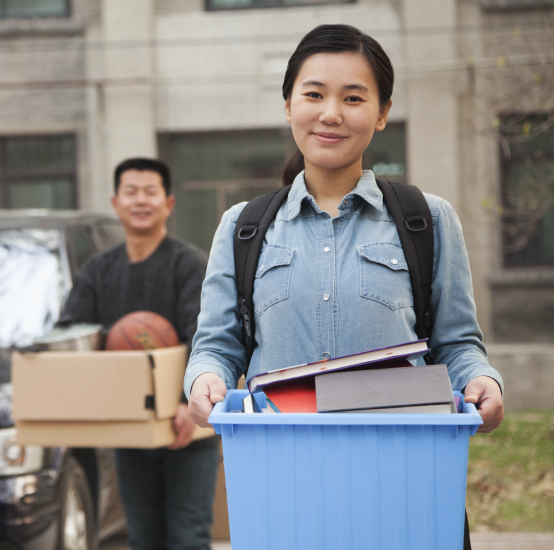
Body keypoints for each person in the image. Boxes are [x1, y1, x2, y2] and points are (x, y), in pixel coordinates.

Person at [184, 25, 504, 548]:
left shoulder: (427, 220)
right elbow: (217, 347)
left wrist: (483, 381)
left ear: (382, 112)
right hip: (281, 485)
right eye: (314, 94)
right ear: (288, 105)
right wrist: (203, 381)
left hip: (402, 483)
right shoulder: (242, 227)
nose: (331, 113)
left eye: (353, 98)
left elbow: (457, 344)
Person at [60, 158, 219, 550]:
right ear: (116, 204)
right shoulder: (98, 271)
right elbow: (71, 332)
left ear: (168, 204)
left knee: (188, 537)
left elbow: (203, 336)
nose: (141, 201)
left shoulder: (189, 264)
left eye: (151, 192)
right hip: (130, 428)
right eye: (131, 192)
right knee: (143, 538)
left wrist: (185, 401)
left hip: (186, 427)